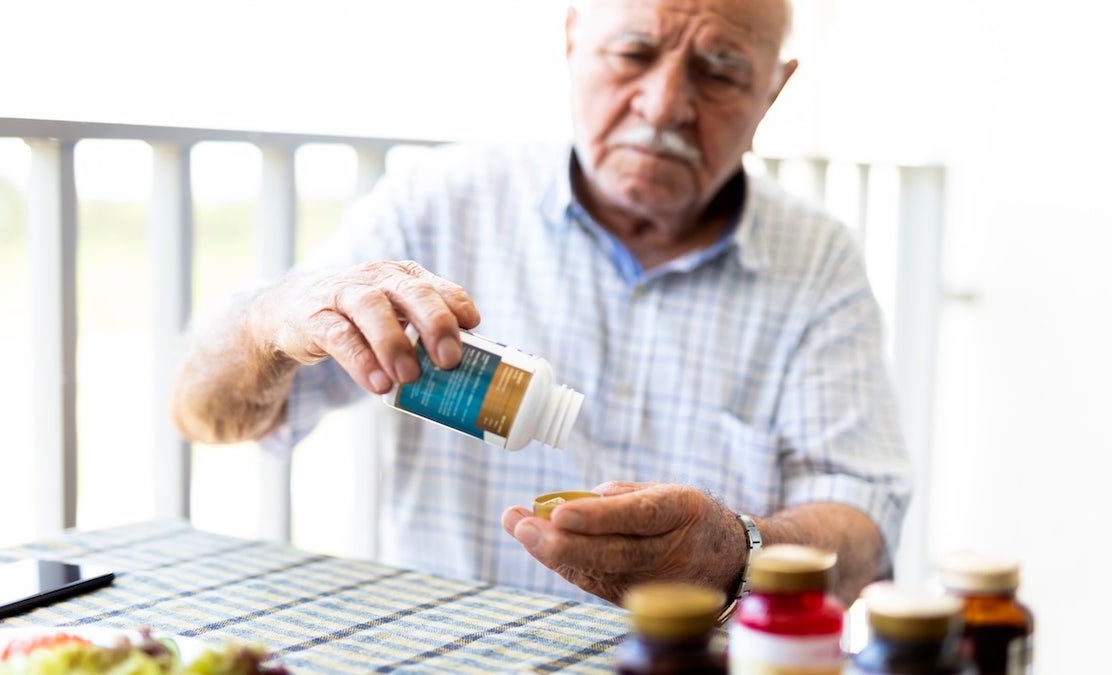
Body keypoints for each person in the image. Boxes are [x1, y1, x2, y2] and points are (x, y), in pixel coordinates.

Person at [171, 0, 912, 611]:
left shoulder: (817, 260)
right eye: (631, 54)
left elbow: (862, 523)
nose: (664, 105)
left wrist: (734, 548)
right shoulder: (439, 203)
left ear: (773, 94)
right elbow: (205, 414)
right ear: (572, 36)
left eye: (720, 72)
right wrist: (272, 319)